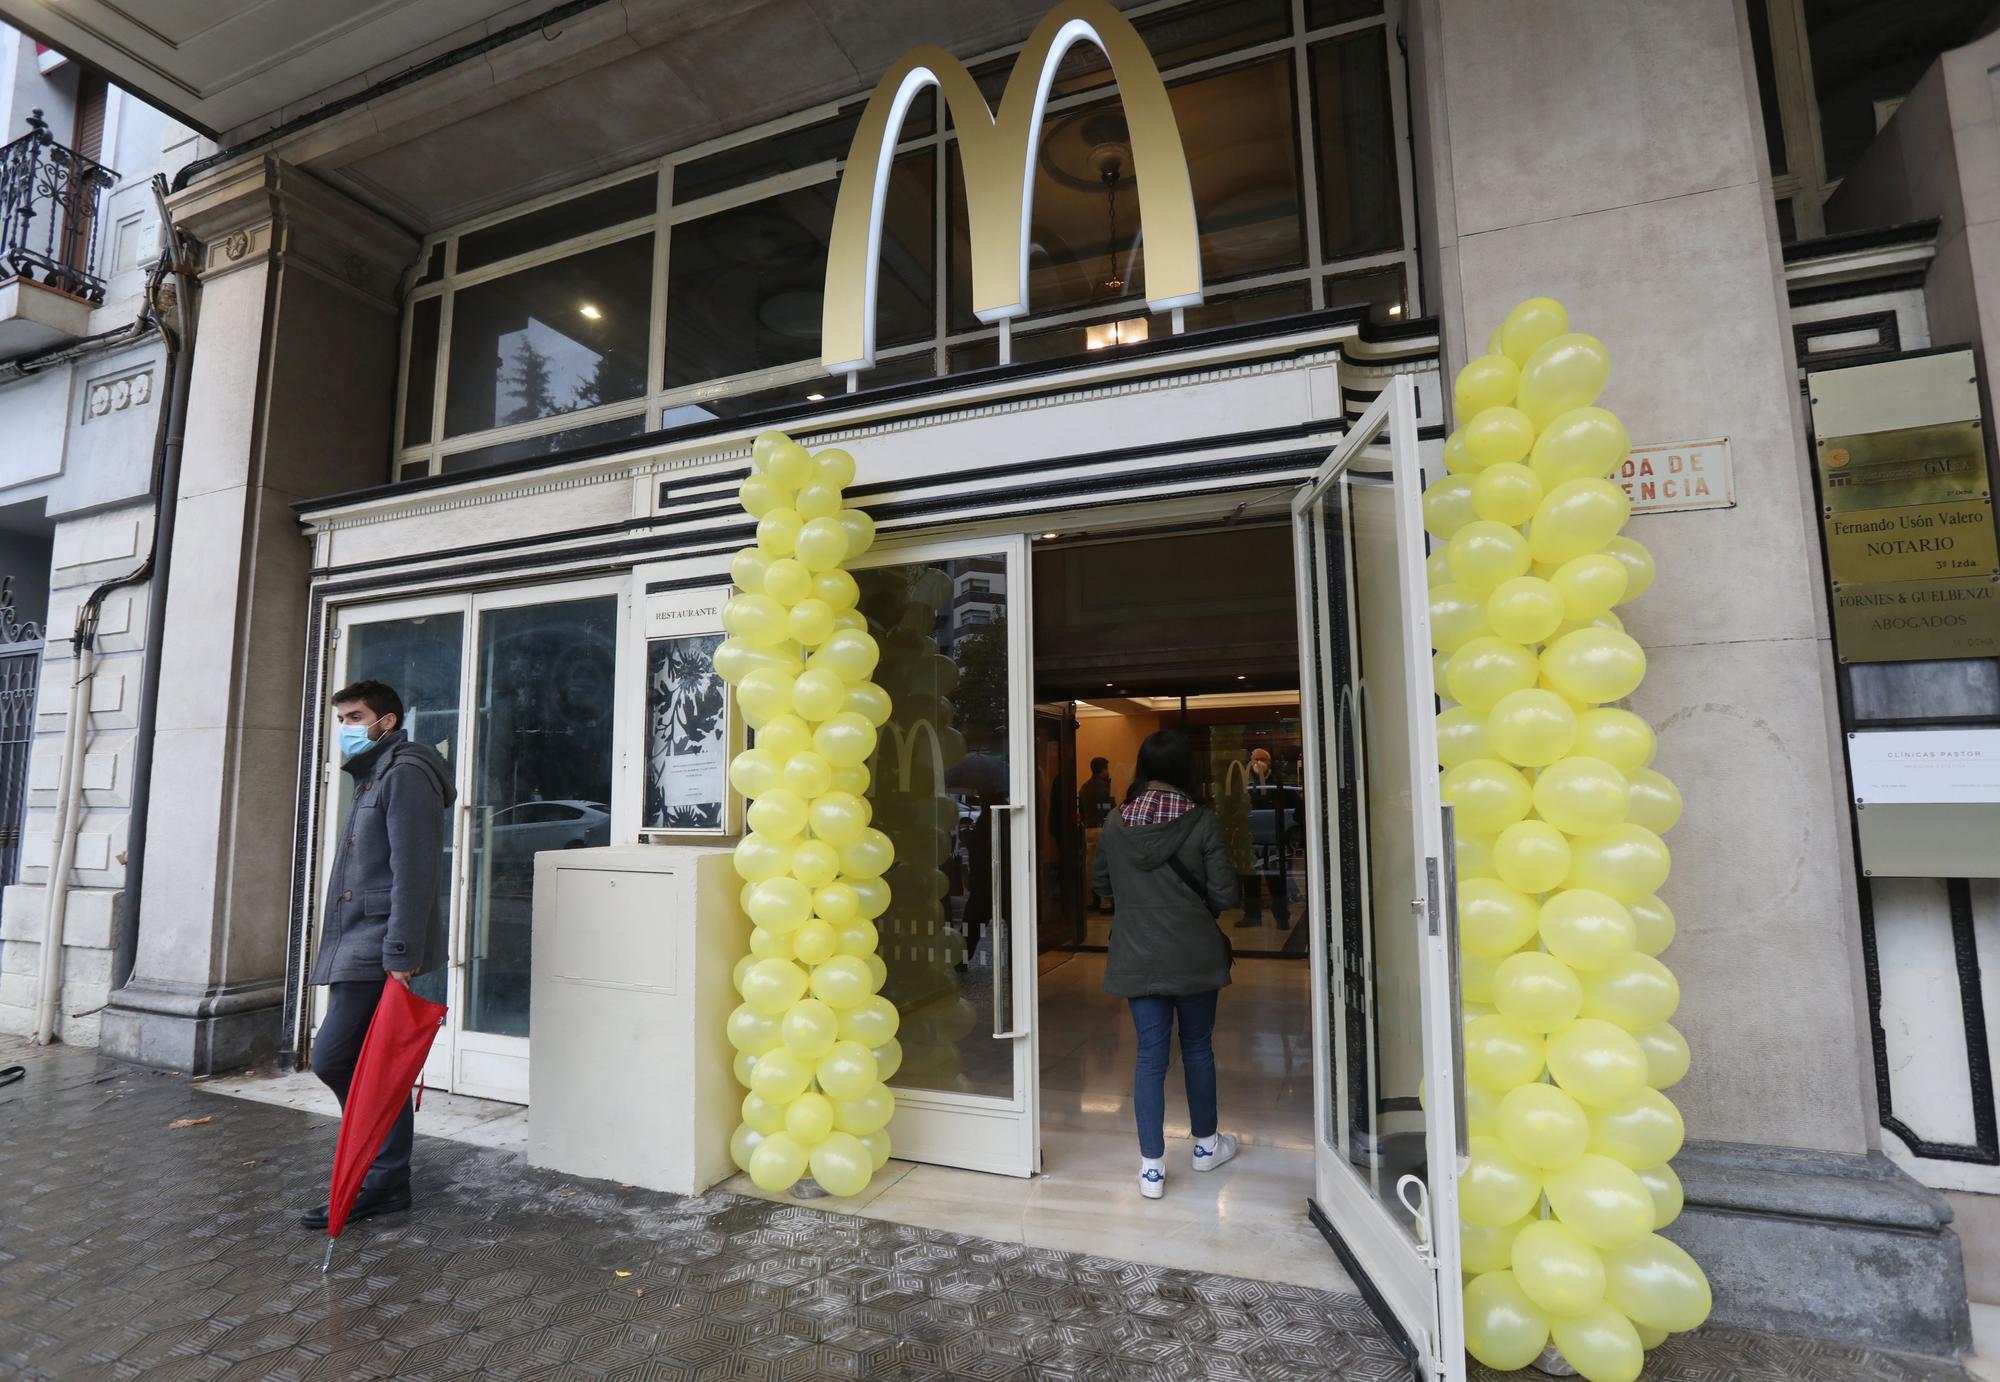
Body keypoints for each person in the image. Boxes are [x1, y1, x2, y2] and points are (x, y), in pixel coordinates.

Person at [300, 679, 456, 1229]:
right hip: (359, 938)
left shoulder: (405, 773)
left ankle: (384, 1169)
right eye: (340, 717)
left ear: (386, 721)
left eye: (356, 716)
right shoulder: (376, 773)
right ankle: (386, 1174)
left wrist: (401, 952)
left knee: (334, 1057)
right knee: (362, 1061)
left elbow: (415, 871)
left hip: (378, 943)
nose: (346, 726)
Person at [1091, 728, 1241, 1200]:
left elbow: (1101, 884)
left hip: (1137, 952)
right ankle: (1204, 1147)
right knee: (1197, 1048)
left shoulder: (1115, 823)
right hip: (1194, 953)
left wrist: (1136, 901)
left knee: (1149, 1057)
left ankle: (1151, 1170)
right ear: (1186, 771)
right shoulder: (1202, 821)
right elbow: (1224, 894)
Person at [1078, 756, 1114, 913]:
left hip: (1088, 829)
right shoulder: (1104, 787)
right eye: (1106, 768)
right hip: (1101, 828)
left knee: (1089, 867)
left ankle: (1089, 900)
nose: (1108, 771)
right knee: (1106, 865)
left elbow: (1082, 810)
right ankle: (1105, 903)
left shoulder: (1084, 787)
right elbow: (1107, 808)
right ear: (1102, 769)